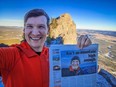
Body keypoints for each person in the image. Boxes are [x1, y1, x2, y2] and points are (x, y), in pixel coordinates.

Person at [0, 9, 92, 87]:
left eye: (41, 26)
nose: (35, 33)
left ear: (48, 31)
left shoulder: (54, 55)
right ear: (24, 30)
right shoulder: (11, 55)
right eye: (30, 26)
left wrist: (86, 49)